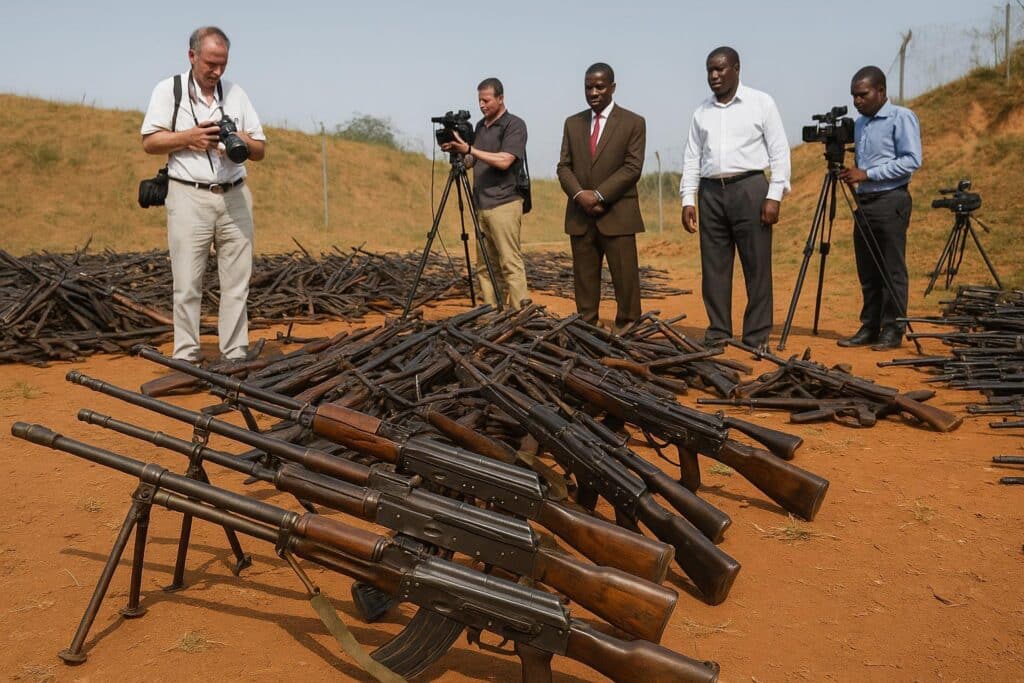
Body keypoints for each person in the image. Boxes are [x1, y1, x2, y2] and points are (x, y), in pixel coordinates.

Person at [141, 26, 266, 362]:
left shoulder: (236, 93)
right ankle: (186, 357)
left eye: (223, 64)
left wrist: (238, 141)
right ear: (192, 56)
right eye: (211, 63)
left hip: (235, 195)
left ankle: (235, 355)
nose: (217, 71)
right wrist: (189, 138)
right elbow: (150, 141)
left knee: (237, 282)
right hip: (188, 196)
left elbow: (260, 149)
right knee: (187, 283)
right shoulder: (169, 91)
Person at [680, 46, 790, 350]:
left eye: (720, 69)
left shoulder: (761, 103)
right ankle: (718, 332)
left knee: (756, 266)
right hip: (711, 192)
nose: (714, 76)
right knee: (714, 267)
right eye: (709, 70)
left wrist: (774, 195)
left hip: (750, 188)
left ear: (737, 69)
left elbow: (779, 151)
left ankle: (756, 337)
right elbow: (692, 157)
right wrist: (688, 198)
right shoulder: (701, 112)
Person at [837, 65, 922, 351]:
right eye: (853, 96)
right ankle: (870, 326)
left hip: (891, 200)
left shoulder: (902, 117)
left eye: (862, 94)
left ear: (881, 91)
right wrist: (853, 173)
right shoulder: (860, 123)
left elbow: (911, 160)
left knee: (891, 268)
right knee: (868, 269)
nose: (856, 101)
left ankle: (893, 329)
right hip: (865, 202)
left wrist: (868, 173)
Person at [557, 62, 646, 332]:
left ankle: (628, 328)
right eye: (588, 87)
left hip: (617, 214)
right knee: (584, 280)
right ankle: (589, 329)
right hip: (580, 216)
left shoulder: (633, 122)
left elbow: (632, 168)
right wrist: (580, 196)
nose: (593, 92)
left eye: (599, 86)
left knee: (625, 279)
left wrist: (598, 195)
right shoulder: (573, 123)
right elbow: (564, 166)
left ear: (613, 88)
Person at [441, 78, 529, 310]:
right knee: (485, 266)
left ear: (500, 98)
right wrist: (459, 152)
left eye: (486, 100)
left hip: (505, 203)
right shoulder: (479, 127)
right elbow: (473, 159)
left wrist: (470, 149)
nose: (482, 105)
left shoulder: (514, 125)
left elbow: (505, 160)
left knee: (510, 262)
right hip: (481, 204)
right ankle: (491, 316)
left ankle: (522, 316)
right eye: (479, 100)